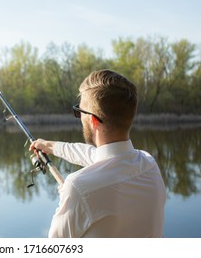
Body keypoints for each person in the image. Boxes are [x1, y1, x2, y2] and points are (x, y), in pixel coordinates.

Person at [30, 69, 166, 238]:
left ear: (93, 120)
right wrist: (51, 146)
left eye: (79, 111)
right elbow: (95, 155)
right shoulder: (149, 164)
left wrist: (69, 198)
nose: (79, 117)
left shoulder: (78, 189)